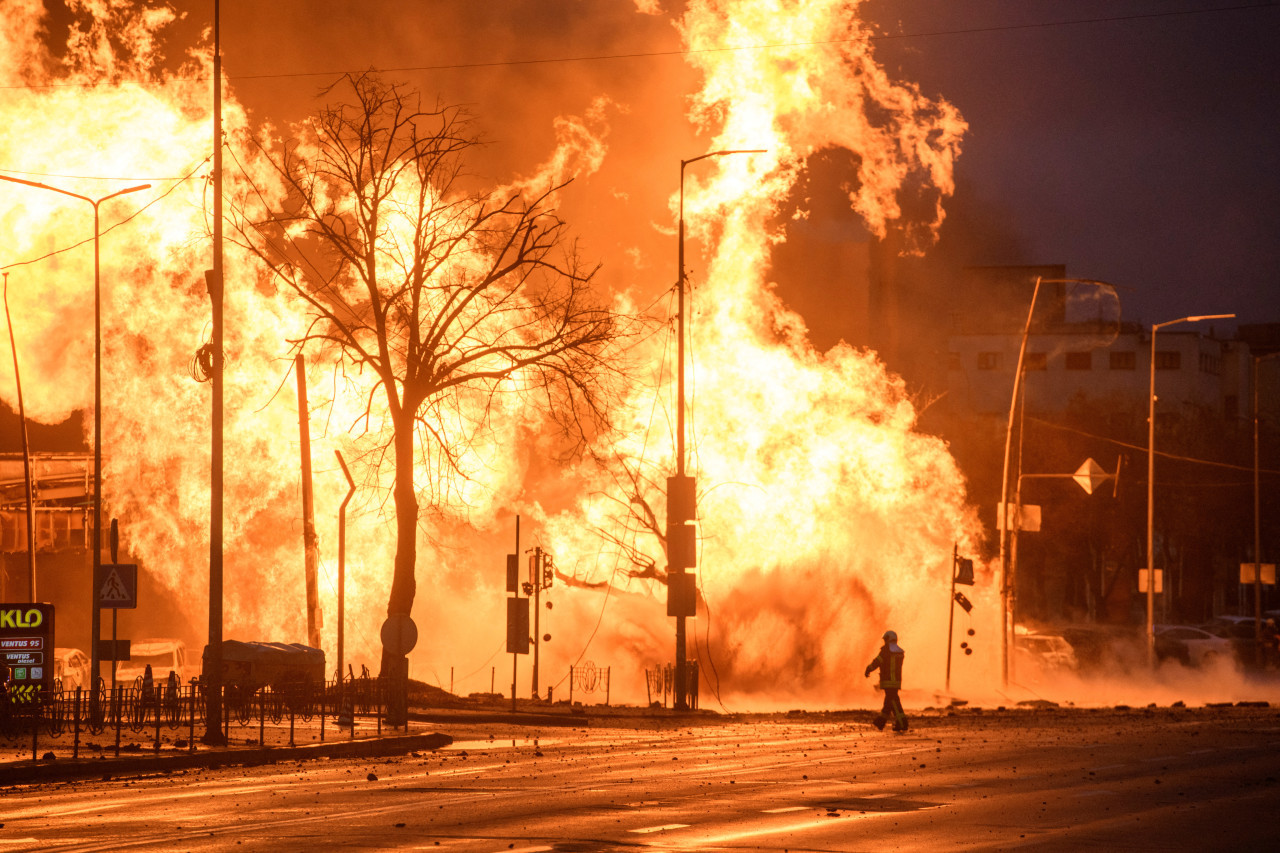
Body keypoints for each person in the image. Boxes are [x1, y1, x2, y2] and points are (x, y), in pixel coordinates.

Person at [865, 629, 907, 732]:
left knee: (894, 703)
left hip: (888, 682)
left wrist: (868, 669)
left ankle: (902, 723)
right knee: (889, 703)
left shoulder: (885, 651)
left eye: (885, 640)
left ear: (888, 639)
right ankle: (881, 722)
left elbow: (877, 662)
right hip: (896, 682)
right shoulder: (900, 652)